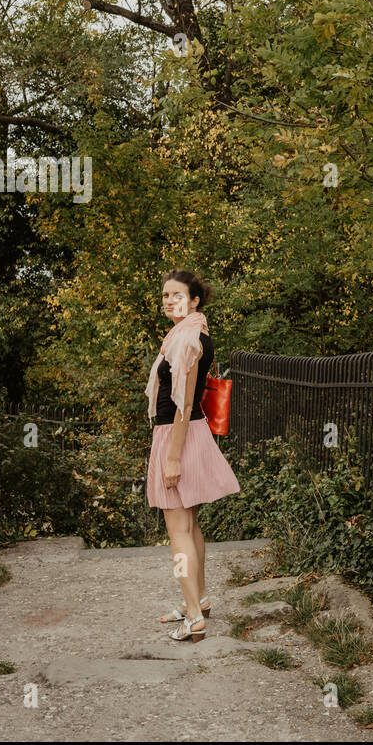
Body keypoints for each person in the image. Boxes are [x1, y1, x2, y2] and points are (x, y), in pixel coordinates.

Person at [143, 269, 240, 642]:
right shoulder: (192, 333)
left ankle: (195, 617)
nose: (169, 301)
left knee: (178, 531)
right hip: (191, 433)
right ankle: (198, 599)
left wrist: (172, 458)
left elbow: (182, 404)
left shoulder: (185, 340)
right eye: (165, 295)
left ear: (194, 300)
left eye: (177, 295)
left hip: (178, 435)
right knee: (192, 525)